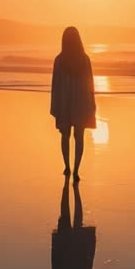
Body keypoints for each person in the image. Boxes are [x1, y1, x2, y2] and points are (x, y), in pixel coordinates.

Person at [50, 26, 96, 179]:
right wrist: (92, 103)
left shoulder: (59, 60)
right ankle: (76, 170)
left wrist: (55, 105)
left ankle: (67, 167)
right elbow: (90, 84)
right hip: (81, 102)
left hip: (64, 102)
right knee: (79, 137)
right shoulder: (84, 59)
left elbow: (55, 85)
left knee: (65, 136)